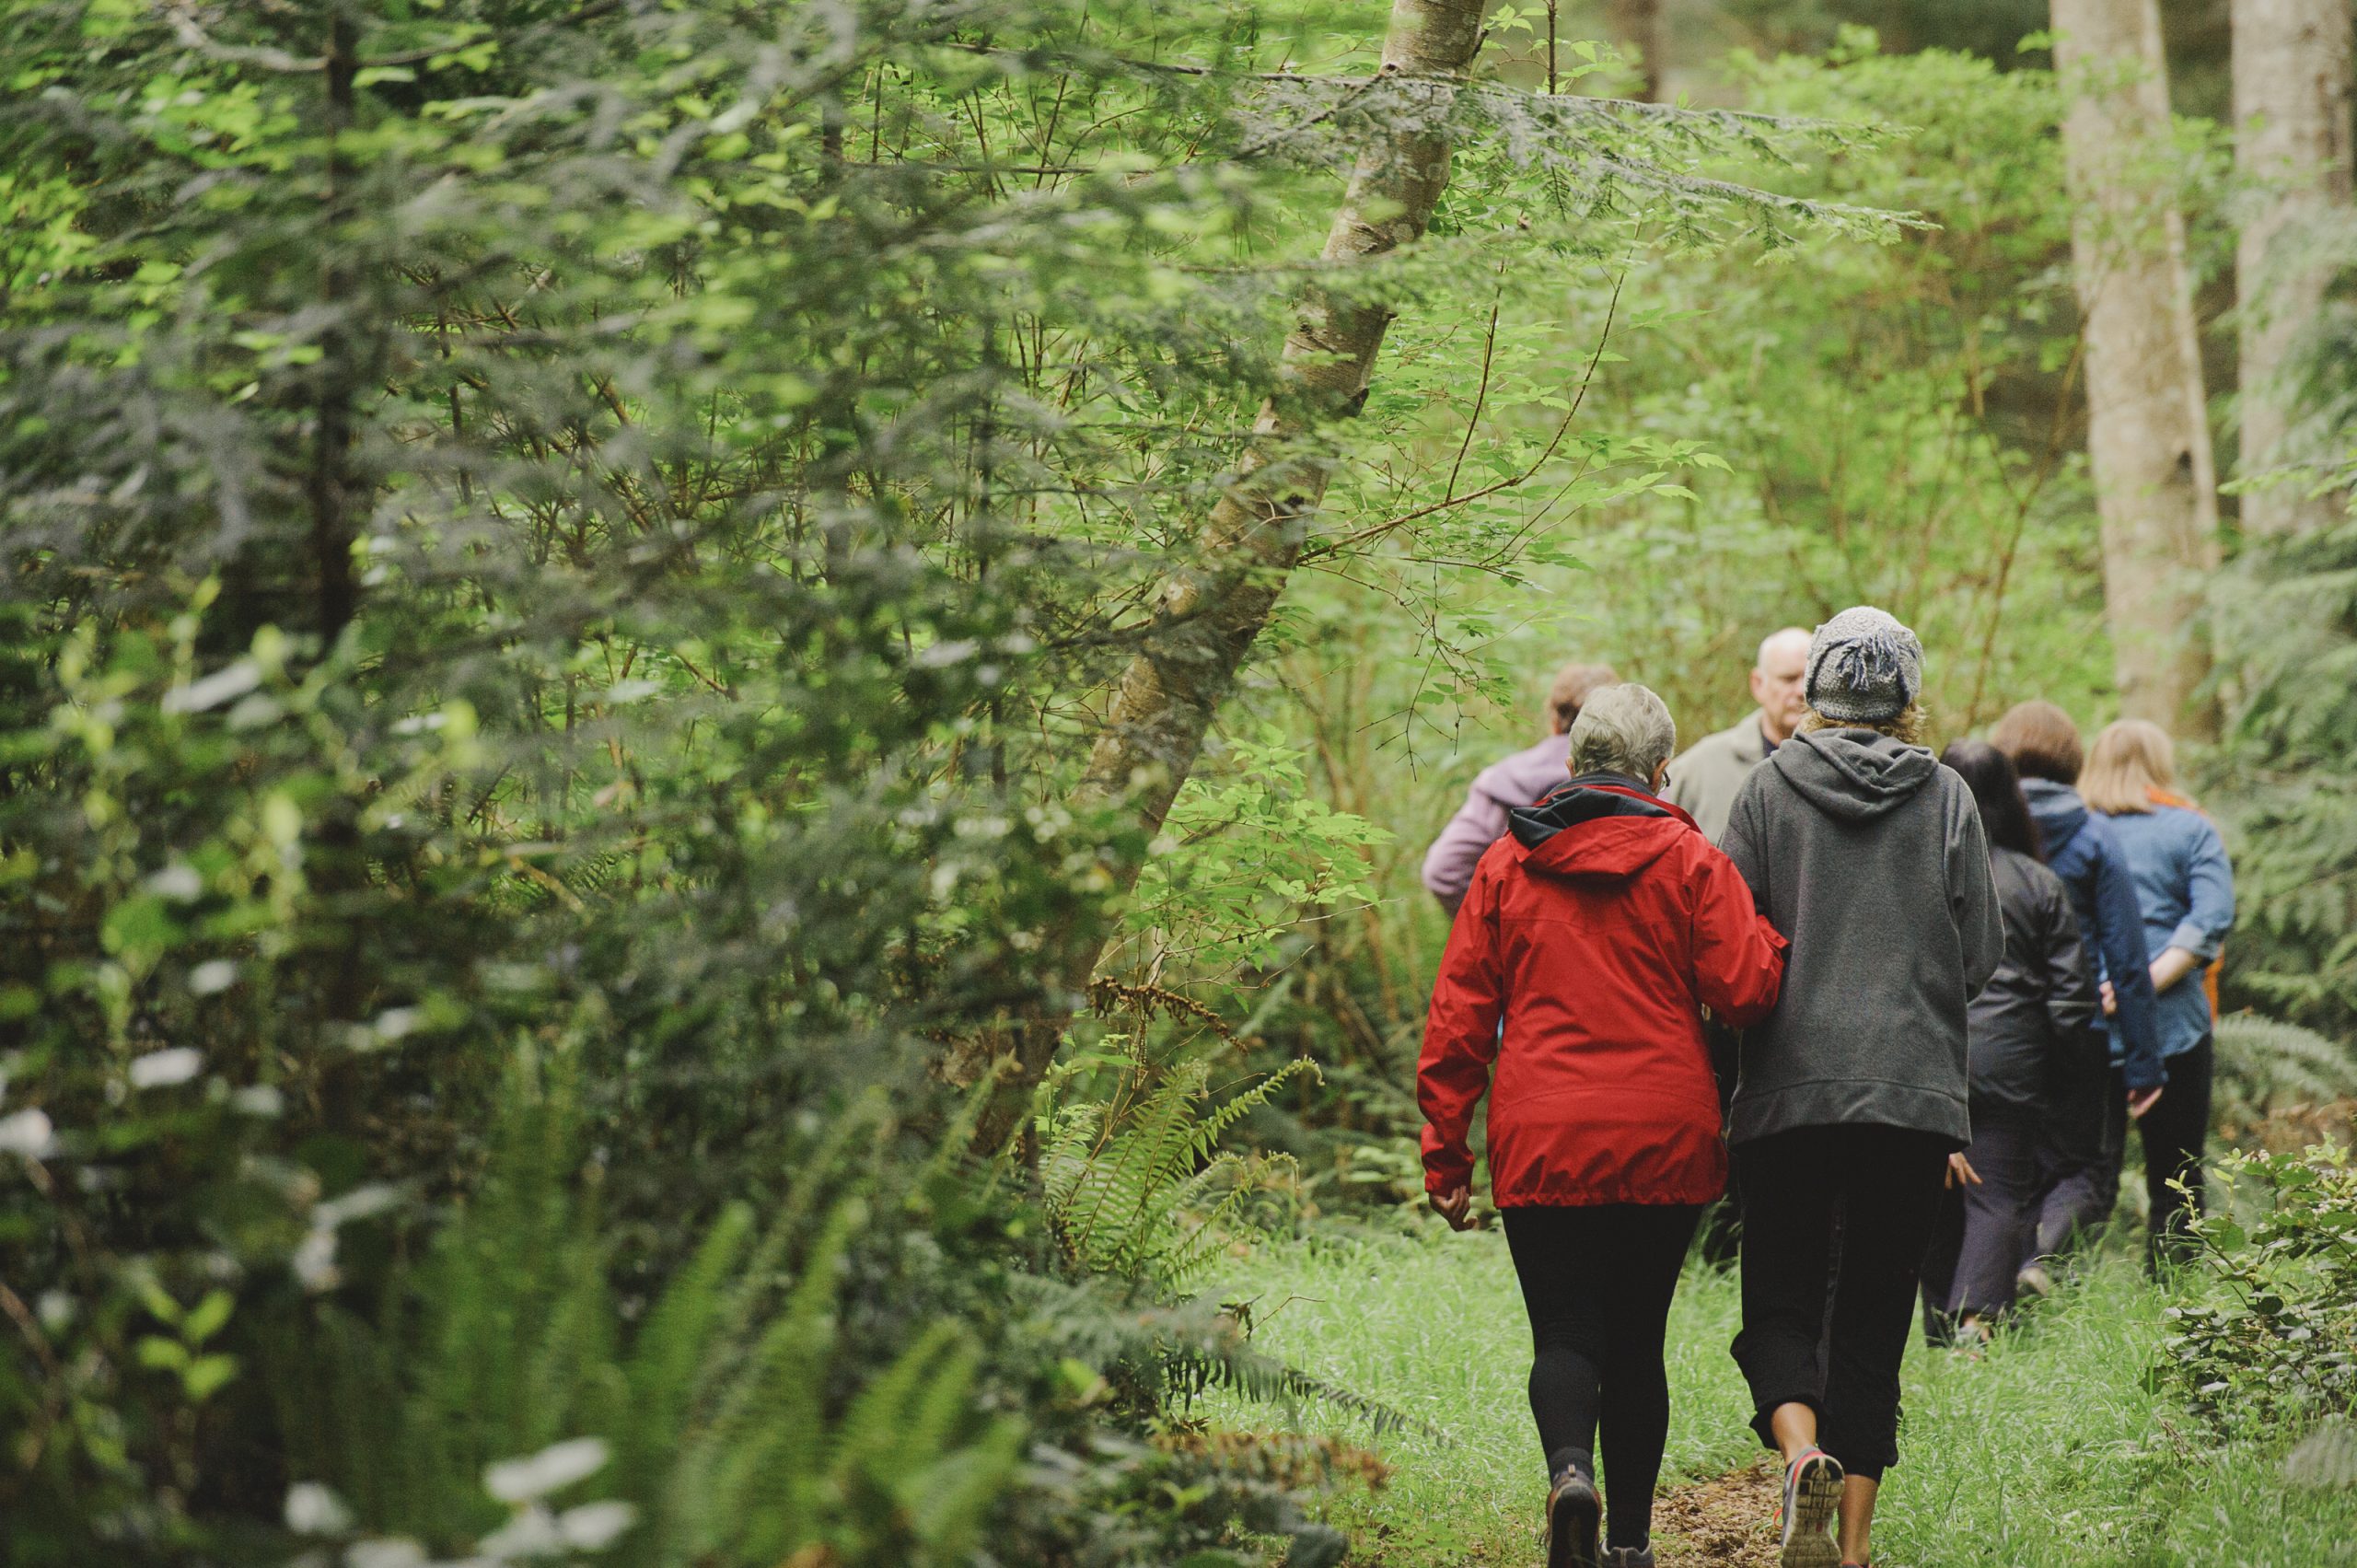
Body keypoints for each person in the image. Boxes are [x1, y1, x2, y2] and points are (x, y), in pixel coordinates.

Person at [1419, 684, 1787, 1568]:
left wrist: (1445, 1153)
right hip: (1666, 1133)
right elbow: (1746, 990)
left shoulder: (1506, 863)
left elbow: (1458, 1019)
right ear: (1662, 772)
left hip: (1542, 1136)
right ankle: (1626, 1544)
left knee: (1566, 1331)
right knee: (1638, 1339)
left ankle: (1568, 1474)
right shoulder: (1691, 859)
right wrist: (1772, 941)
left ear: (1573, 762)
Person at [1716, 608, 2003, 1568]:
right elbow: (1982, 953)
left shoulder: (1763, 791)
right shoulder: (1950, 797)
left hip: (1788, 1093)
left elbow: (1730, 947)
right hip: (1912, 1097)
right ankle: (1852, 1548)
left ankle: (1801, 1454)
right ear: (1905, 698)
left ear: (1819, 690)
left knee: (1781, 1299)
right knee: (1877, 1315)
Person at [1917, 741, 2099, 1347]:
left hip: (1924, 1056)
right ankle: (1977, 1321)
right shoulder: (2038, 882)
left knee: (1933, 1195)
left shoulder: (1914, 870)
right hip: (2008, 1066)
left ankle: (1942, 1328)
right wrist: (2069, 1075)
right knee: (1995, 1195)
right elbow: (2071, 1000)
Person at [1988, 701, 2165, 1279]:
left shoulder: (1976, 832)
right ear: (2073, 760)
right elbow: (2129, 957)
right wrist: (2144, 1065)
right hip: (2079, 1028)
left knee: (2008, 1165)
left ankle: (2001, 1288)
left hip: (1996, 1027)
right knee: (2085, 1171)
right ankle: (2041, 1258)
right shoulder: (2094, 833)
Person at [2081, 720, 2235, 1269]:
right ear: (2159, 762)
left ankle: (2051, 1283)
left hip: (2084, 1026)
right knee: (2177, 1172)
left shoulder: (2074, 832)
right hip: (2176, 1026)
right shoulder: (2191, 830)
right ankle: (2174, 1301)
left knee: (2080, 1175)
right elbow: (2210, 919)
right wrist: (2144, 982)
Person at [1422, 660, 1622, 915]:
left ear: (1553, 718)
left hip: (1528, 947)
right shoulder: (1646, 785)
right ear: (1620, 725)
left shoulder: (1505, 780)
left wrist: (1501, 929)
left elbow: (1443, 871)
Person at [1664, 627, 1811, 844]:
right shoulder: (1699, 769)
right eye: (1788, 679)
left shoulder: (1845, 765)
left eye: (1809, 679)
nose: (1801, 690)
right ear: (1758, 684)